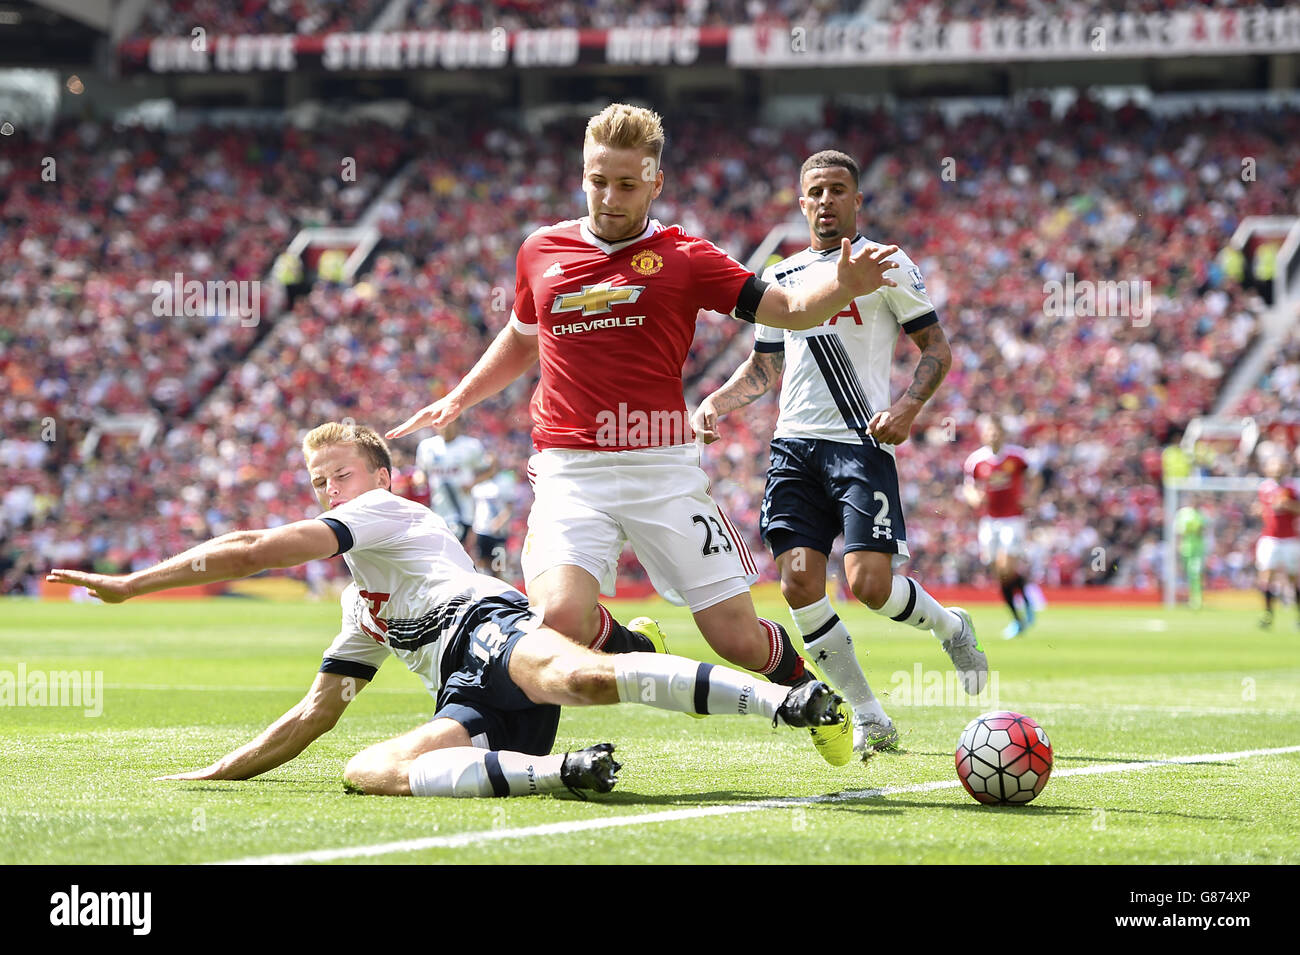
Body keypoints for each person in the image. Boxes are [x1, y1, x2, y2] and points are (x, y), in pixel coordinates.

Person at [387, 104, 901, 766]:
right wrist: (460, 394)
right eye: (597, 179)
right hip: (571, 470)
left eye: (626, 184)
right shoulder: (540, 250)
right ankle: (627, 647)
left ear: (655, 182)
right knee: (561, 620)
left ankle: (810, 692)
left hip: (663, 469)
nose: (608, 196)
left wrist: (842, 284)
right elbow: (521, 338)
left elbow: (791, 309)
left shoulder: (686, 256)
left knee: (736, 639)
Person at [46, 422, 845, 798]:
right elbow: (314, 714)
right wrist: (217, 771)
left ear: (379, 474)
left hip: (487, 629)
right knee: (368, 769)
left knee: (586, 679)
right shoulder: (363, 608)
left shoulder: (387, 513)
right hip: (468, 697)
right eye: (319, 480)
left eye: (341, 474)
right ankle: (564, 771)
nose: (330, 491)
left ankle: (793, 701)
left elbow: (257, 546)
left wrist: (131, 583)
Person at [692, 149, 986, 759]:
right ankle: (869, 715)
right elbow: (765, 365)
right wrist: (717, 402)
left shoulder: (887, 264)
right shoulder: (782, 276)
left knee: (870, 585)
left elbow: (936, 347)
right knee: (798, 581)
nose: (825, 201)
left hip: (860, 443)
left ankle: (951, 626)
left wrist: (907, 408)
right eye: (815, 192)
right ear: (802, 203)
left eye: (837, 190)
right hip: (794, 448)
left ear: (858, 200)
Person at [962, 414, 1045, 639]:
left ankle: (1025, 608)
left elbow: (1036, 477)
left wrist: (1031, 498)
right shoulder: (976, 460)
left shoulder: (1017, 456)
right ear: (983, 434)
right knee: (999, 573)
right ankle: (1021, 614)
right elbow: (969, 488)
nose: (993, 435)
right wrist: (974, 499)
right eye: (989, 431)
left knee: (1007, 567)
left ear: (1003, 433)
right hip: (989, 521)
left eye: (997, 431)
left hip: (1013, 519)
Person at [415, 415, 490, 544]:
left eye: (449, 422)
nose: (445, 426)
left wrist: (472, 484)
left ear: (457, 424)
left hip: (462, 510)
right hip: (437, 509)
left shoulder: (471, 445)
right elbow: (421, 471)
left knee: (458, 550)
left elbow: (489, 469)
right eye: (441, 423)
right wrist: (419, 480)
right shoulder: (426, 446)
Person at [1255, 448, 1300, 629]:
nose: (1277, 469)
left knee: (1293, 578)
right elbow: (1263, 511)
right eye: (1274, 466)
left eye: (1280, 466)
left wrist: (1287, 505)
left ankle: (1298, 616)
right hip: (1270, 538)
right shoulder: (1264, 488)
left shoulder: (1292, 487)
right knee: (1266, 575)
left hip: (1290, 538)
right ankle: (1268, 614)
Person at [1174, 501, 1207, 610]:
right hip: (1186, 550)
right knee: (1189, 575)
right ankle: (1191, 598)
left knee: (1195, 574)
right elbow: (1180, 533)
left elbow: (1201, 532)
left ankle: (1197, 600)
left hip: (1196, 551)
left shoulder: (1198, 516)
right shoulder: (1184, 514)